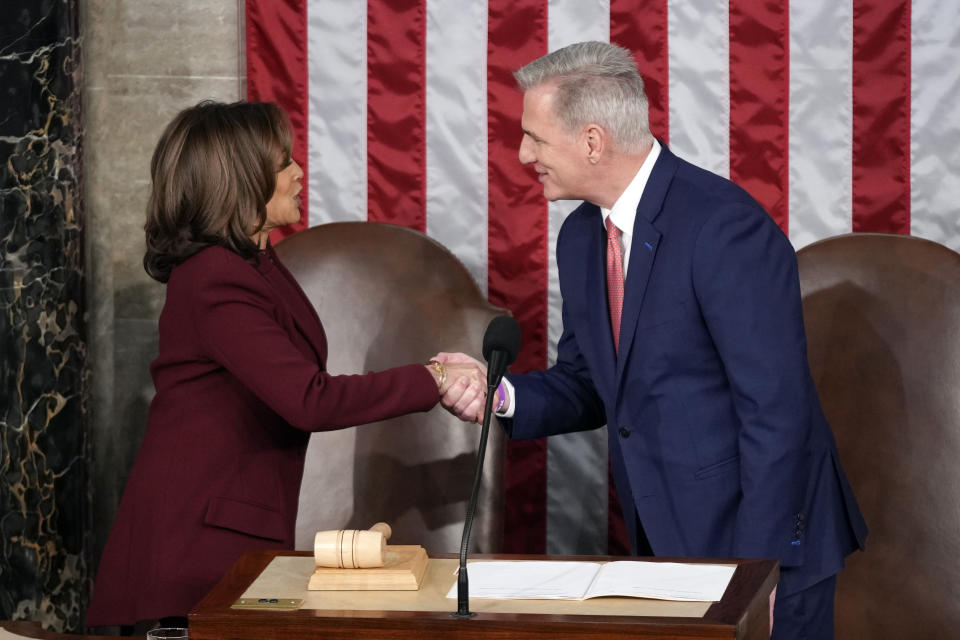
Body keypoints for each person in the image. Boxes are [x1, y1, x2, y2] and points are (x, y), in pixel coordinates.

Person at [439, 41, 867, 639]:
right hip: (664, 543)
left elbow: (778, 414)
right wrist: (500, 396)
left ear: (592, 141)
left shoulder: (723, 228)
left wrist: (759, 573)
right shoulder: (582, 236)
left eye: (534, 137)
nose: (521, 154)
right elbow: (589, 382)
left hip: (763, 545)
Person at [85, 101, 485, 628]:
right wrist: (432, 379)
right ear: (239, 180)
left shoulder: (254, 264)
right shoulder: (213, 278)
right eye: (283, 164)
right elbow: (308, 399)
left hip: (233, 540)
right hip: (193, 550)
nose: (299, 173)